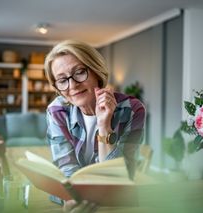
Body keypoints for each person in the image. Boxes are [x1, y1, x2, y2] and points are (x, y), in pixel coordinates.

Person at [44, 40, 146, 213]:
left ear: (96, 71)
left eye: (79, 72)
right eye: (62, 80)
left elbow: (120, 176)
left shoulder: (132, 109)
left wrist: (104, 124)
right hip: (75, 203)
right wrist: (72, 200)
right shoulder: (56, 111)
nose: (72, 85)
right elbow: (66, 168)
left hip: (115, 205)